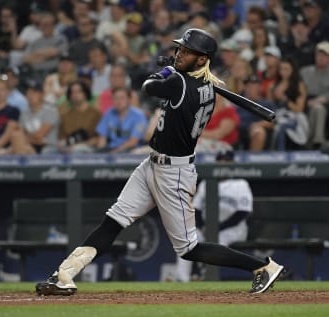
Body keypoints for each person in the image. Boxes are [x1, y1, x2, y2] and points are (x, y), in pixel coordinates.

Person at [35, 28, 284, 296]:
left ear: (202, 60)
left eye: (187, 52)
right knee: (113, 221)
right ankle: (63, 275)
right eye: (180, 49)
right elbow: (180, 84)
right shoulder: (204, 88)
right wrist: (176, 71)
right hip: (152, 165)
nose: (179, 54)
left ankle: (263, 267)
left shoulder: (181, 83)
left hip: (173, 173)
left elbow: (147, 87)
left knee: (189, 249)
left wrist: (166, 71)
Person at [174, 149, 253, 282]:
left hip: (232, 229)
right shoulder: (206, 183)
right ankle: (182, 280)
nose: (222, 164)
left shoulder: (241, 184)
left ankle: (207, 278)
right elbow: (196, 210)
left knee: (217, 242)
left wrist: (217, 228)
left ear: (233, 164)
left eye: (226, 162)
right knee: (186, 240)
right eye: (220, 161)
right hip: (207, 228)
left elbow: (242, 213)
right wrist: (203, 227)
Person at [94, 86, 147, 153]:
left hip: (131, 151)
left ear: (129, 100)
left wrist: (115, 152)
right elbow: (102, 138)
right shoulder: (109, 113)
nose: (118, 101)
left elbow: (133, 141)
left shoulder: (139, 115)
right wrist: (100, 154)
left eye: (122, 98)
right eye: (115, 98)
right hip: (111, 148)